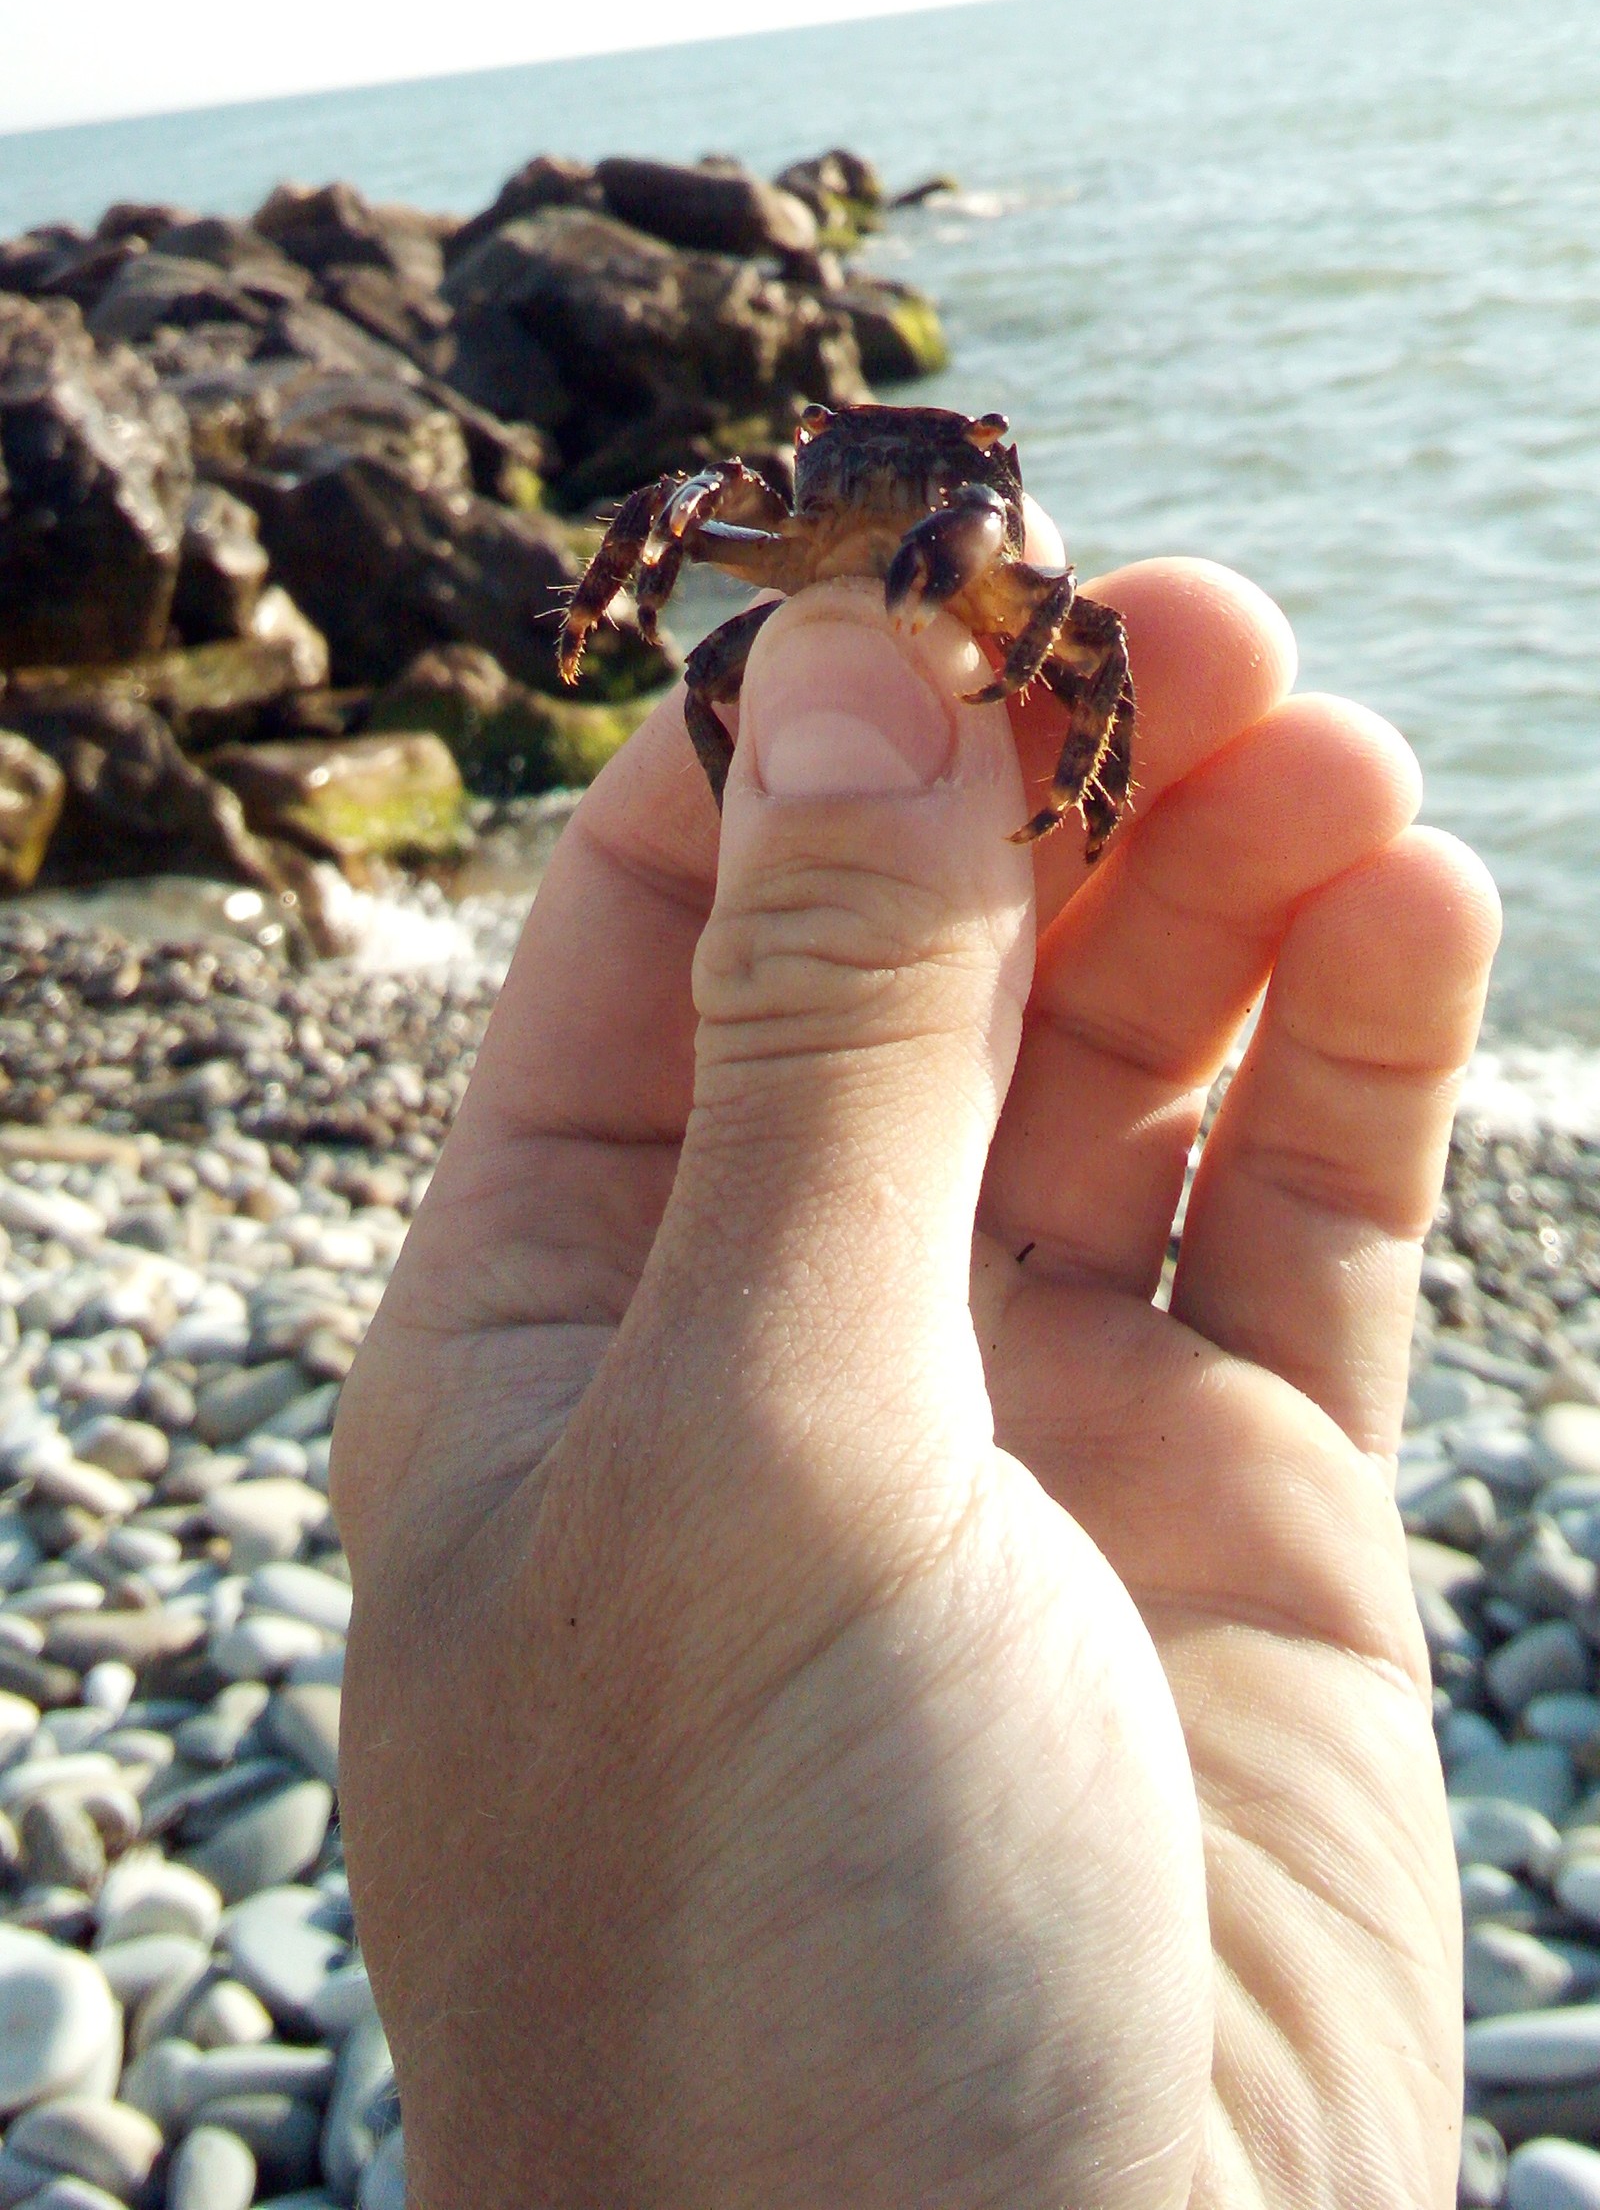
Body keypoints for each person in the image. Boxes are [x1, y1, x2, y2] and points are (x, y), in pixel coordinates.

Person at [331, 537, 1500, 2207]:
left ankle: (1042, 786)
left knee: (1114, 662)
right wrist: (622, 593)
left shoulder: (980, 559)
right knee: (759, 658)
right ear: (816, 464)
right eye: (830, 468)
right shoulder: (801, 510)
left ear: (982, 489)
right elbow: (696, 500)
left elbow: (1069, 642)